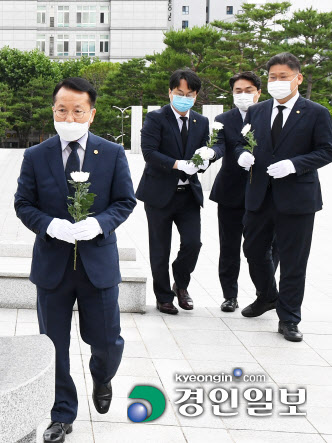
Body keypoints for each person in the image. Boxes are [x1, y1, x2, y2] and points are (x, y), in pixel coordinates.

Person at [14, 77, 136, 443]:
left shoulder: (112, 153)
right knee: (53, 344)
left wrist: (99, 224)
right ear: (53, 111)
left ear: (91, 114)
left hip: (97, 263)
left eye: (77, 110)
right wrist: (49, 225)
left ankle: (102, 374)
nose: (69, 116)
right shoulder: (36, 156)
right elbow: (23, 204)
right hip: (52, 264)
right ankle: (61, 414)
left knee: (106, 340)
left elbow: (125, 201)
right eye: (61, 110)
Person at [234, 52, 332, 341]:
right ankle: (267, 295)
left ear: (298, 78)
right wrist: (242, 155)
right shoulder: (257, 111)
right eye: (272, 77)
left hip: (297, 198)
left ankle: (289, 317)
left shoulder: (316, 112)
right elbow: (242, 141)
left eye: (283, 77)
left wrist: (295, 164)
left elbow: (326, 150)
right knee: (253, 250)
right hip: (259, 194)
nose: (277, 82)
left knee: (293, 260)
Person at [136, 69, 210, 315]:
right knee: (160, 248)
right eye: (179, 93)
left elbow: (206, 151)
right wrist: (178, 164)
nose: (184, 97)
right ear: (170, 92)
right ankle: (163, 296)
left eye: (189, 94)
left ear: (196, 95)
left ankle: (181, 283)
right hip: (159, 194)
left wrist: (205, 160)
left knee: (193, 243)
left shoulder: (202, 122)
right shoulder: (156, 118)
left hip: (188, 194)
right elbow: (149, 152)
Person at [207, 71, 279, 313]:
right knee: (229, 246)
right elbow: (218, 145)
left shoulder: (272, 116)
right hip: (231, 191)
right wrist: (210, 154)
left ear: (259, 92)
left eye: (249, 90)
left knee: (264, 246)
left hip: (264, 191)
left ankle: (266, 293)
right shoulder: (223, 118)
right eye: (238, 91)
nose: (243, 95)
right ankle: (230, 295)